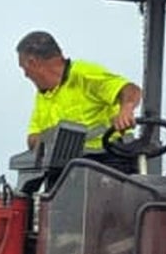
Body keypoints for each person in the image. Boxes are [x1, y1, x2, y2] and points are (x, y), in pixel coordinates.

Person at [17, 29, 142, 173]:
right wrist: (47, 140)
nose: (26, 75)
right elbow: (33, 137)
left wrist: (126, 108)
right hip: (64, 167)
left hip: (107, 162)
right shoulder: (43, 96)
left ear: (33, 62)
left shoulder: (83, 75)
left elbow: (130, 89)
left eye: (24, 68)